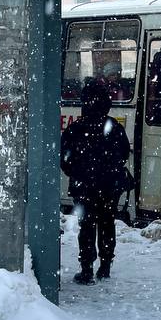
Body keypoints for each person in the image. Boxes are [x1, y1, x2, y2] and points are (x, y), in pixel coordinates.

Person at [60, 81, 131, 285]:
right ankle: (105, 266)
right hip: (109, 187)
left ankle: (86, 269)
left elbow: (65, 158)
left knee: (87, 227)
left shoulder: (76, 128)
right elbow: (123, 154)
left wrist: (77, 172)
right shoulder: (114, 127)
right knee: (107, 224)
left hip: (84, 186)